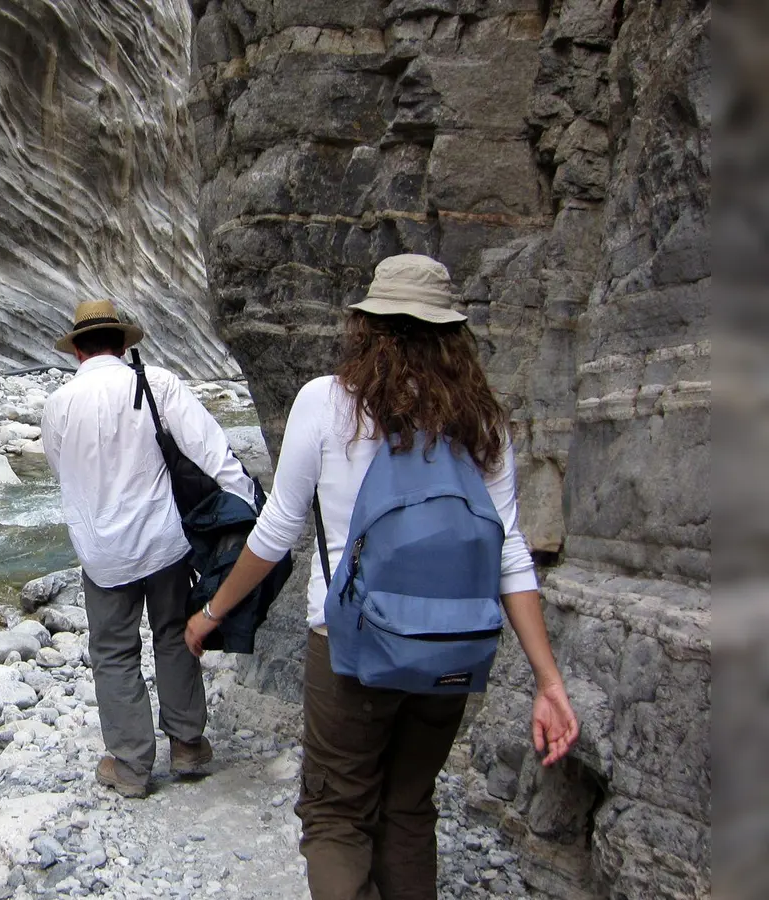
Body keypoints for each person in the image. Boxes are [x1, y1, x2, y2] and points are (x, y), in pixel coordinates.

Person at [184, 254, 579, 899]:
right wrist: (548, 679)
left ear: (366, 326)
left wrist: (213, 611)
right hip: (452, 648)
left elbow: (279, 529)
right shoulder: (484, 422)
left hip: (349, 647)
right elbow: (509, 553)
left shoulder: (328, 402)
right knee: (409, 808)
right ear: (452, 334)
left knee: (337, 815)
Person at [42, 298, 259, 798]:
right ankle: (187, 745)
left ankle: (132, 766)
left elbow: (63, 472)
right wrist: (250, 503)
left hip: (102, 553)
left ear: (77, 350)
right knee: (173, 633)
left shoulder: (58, 406)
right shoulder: (155, 384)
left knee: (114, 652)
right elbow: (211, 449)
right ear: (123, 344)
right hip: (164, 541)